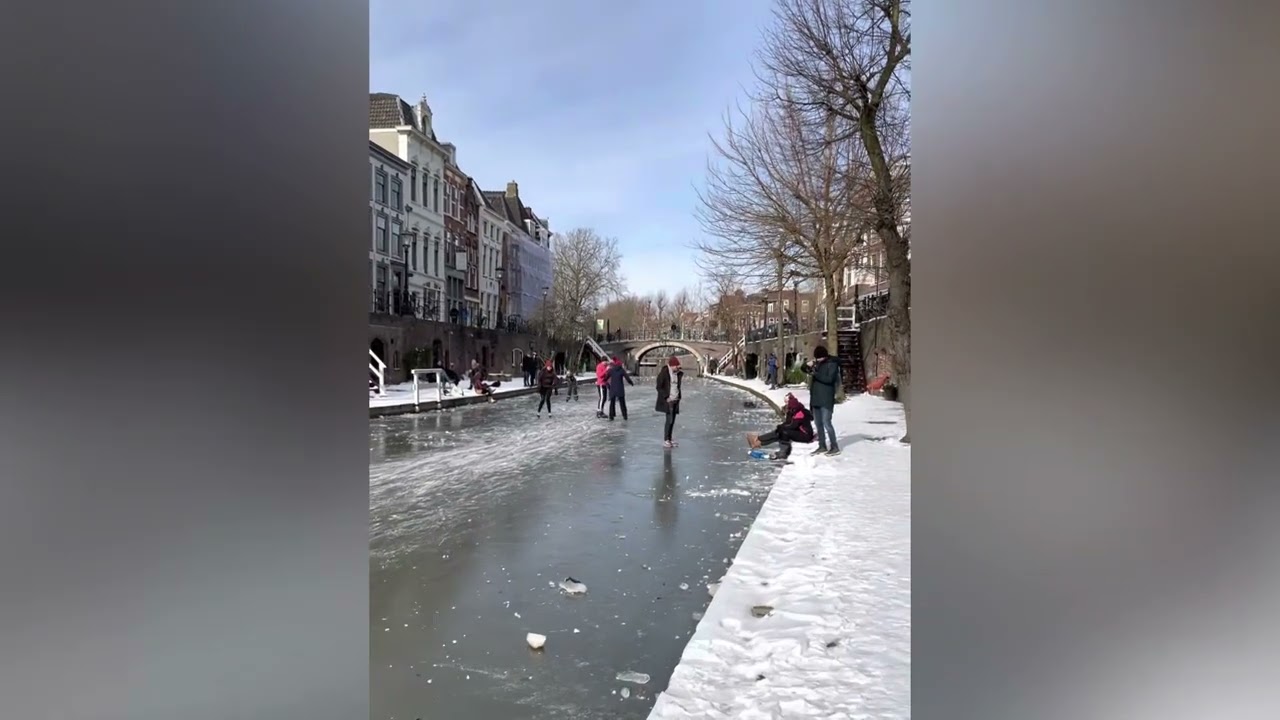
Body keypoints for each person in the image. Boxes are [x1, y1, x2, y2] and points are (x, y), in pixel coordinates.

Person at [746, 393, 815, 460]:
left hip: (806, 435)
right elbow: (788, 423)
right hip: (800, 432)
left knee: (784, 432)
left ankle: (781, 452)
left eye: (787, 404)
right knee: (780, 431)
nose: (786, 405)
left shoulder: (800, 413)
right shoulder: (793, 411)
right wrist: (781, 426)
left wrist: (781, 427)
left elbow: (792, 426)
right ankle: (759, 441)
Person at [808, 345, 842, 455]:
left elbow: (829, 379)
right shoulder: (817, 364)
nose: (817, 360)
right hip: (816, 398)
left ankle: (834, 446)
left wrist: (815, 373)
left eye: (819, 358)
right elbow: (804, 368)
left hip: (826, 398)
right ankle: (822, 445)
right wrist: (809, 365)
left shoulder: (832, 364)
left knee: (827, 422)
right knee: (818, 424)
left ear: (824, 356)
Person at [654, 356, 684, 448]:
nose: (677, 368)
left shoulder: (677, 373)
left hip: (676, 399)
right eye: (676, 366)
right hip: (669, 400)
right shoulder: (664, 373)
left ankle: (669, 439)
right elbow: (659, 386)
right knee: (669, 420)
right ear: (672, 365)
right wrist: (666, 397)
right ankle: (666, 439)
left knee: (673, 420)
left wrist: (678, 396)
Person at [605, 355, 634, 421]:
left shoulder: (611, 370)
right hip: (620, 388)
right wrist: (631, 383)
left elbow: (606, 377)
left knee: (612, 403)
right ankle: (625, 415)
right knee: (622, 403)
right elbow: (627, 378)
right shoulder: (621, 370)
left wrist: (604, 380)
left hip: (613, 388)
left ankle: (611, 416)